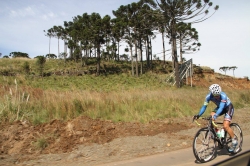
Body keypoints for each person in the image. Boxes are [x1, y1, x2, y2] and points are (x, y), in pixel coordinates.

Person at [193, 84, 237, 152]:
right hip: (219, 107)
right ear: (212, 93)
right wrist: (198, 115)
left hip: (228, 108)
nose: (217, 97)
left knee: (225, 126)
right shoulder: (208, 96)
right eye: (215, 95)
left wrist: (216, 115)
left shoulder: (223, 96)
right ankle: (219, 134)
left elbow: (222, 107)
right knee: (211, 116)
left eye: (218, 95)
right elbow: (204, 106)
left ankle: (234, 140)